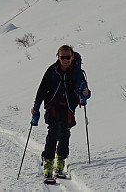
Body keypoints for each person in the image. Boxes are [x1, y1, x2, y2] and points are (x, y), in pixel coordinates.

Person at [31, 45, 91, 180]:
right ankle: (48, 163)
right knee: (53, 133)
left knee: (65, 134)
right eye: (62, 57)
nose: (65, 60)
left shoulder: (77, 72)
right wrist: (36, 106)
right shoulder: (52, 71)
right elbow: (42, 89)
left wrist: (85, 93)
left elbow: (84, 91)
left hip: (68, 107)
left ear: (72, 57)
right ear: (58, 57)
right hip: (53, 106)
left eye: (68, 57)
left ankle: (60, 162)